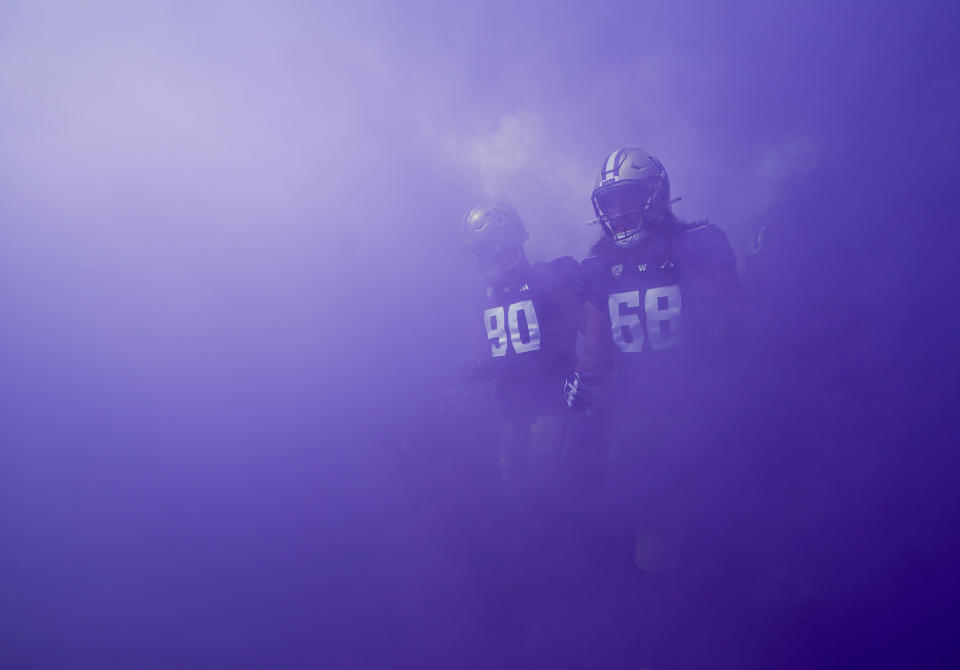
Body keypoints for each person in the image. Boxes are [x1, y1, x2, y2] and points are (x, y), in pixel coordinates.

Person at [564, 147, 743, 573]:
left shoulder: (698, 244)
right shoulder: (598, 267)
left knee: (719, 509)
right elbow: (596, 342)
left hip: (699, 405)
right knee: (644, 516)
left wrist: (731, 383)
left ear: (657, 194)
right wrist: (583, 380)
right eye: (609, 202)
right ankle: (657, 599)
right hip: (635, 411)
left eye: (629, 197)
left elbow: (735, 319)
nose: (619, 211)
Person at [460, 201, 583, 507]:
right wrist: (472, 373)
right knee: (512, 491)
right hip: (511, 408)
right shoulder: (484, 296)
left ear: (507, 244)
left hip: (551, 402)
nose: (482, 259)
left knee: (544, 488)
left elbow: (591, 331)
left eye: (488, 249)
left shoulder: (552, 278)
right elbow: (488, 354)